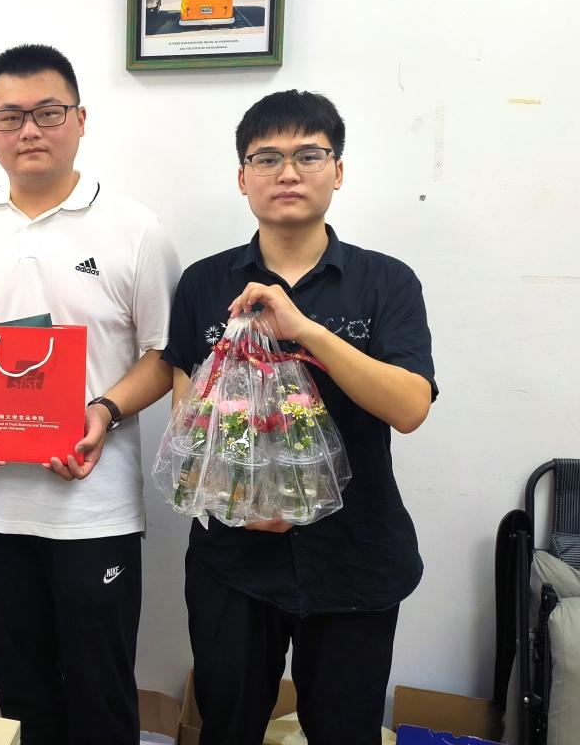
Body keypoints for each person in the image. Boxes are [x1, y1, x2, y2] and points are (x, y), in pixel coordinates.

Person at [0, 44, 180, 744]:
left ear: (80, 120)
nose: (29, 130)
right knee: (22, 689)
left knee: (100, 692)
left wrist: (104, 409)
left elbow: (165, 356)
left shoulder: (135, 230)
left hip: (94, 509)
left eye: (48, 113)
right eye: (10, 116)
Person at [161, 90, 438, 745]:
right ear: (243, 177)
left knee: (344, 732)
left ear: (337, 171)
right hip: (233, 558)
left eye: (308, 155)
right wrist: (236, 501)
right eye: (267, 158)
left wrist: (306, 329)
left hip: (356, 557)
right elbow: (187, 416)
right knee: (227, 728)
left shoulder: (386, 282)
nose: (288, 172)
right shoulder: (204, 282)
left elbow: (409, 407)